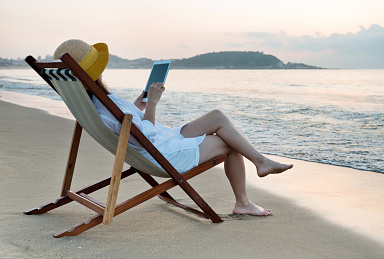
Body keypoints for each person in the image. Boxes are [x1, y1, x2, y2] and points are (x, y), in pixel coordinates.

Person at [53, 39, 293, 216]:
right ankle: (244, 200)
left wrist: (138, 106)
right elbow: (144, 135)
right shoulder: (104, 106)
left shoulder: (94, 102)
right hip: (163, 154)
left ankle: (260, 162)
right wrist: (153, 104)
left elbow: (127, 123)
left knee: (217, 117)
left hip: (163, 142)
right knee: (230, 142)